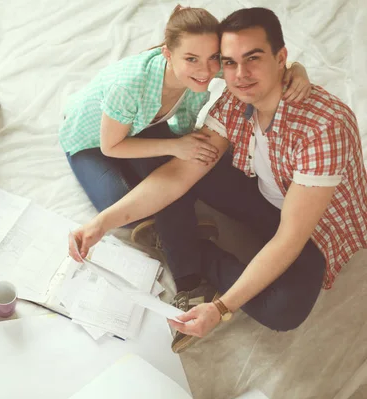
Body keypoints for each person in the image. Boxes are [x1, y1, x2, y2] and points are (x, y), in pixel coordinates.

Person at [69, 7, 367, 353]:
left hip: (311, 227)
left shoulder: (324, 130)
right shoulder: (233, 100)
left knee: (284, 311)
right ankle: (178, 241)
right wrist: (101, 223)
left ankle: (194, 252)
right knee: (179, 152)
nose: (240, 74)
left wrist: (221, 307)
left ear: (281, 57)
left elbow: (289, 238)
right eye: (228, 62)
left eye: (253, 58)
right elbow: (177, 176)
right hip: (260, 191)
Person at [59, 6, 311, 239]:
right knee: (121, 210)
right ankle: (172, 232)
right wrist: (175, 146)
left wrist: (297, 68)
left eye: (214, 57)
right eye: (191, 59)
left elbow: (259, 63)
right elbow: (110, 147)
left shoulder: (209, 66)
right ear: (168, 54)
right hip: (91, 141)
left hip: (139, 127)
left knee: (188, 169)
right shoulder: (128, 86)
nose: (204, 71)